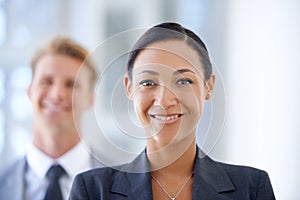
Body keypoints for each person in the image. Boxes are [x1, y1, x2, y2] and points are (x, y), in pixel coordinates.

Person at [69, 22, 275, 199]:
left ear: (209, 86)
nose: (163, 100)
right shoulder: (93, 190)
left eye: (183, 81)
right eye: (148, 82)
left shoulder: (251, 189)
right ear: (129, 88)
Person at [0, 37, 100, 200]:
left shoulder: (122, 185)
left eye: (71, 85)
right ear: (30, 92)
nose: (57, 94)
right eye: (46, 81)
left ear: (90, 100)